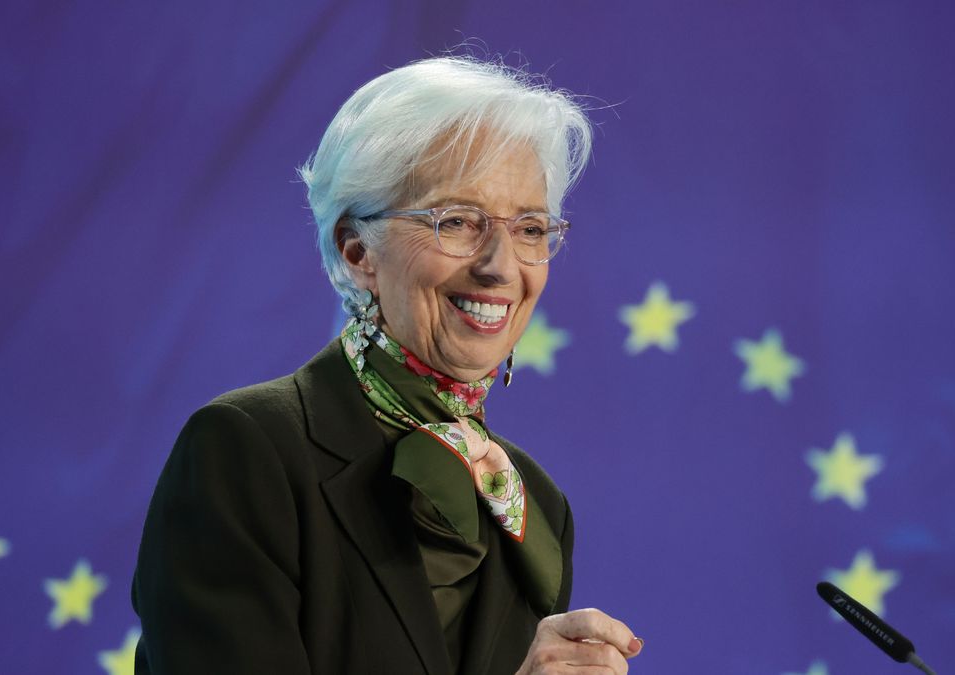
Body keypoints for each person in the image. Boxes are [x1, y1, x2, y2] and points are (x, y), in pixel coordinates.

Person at [132, 56, 642, 674]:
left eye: (531, 229)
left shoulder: (530, 501)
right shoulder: (246, 449)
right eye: (457, 221)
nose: (502, 267)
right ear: (356, 252)